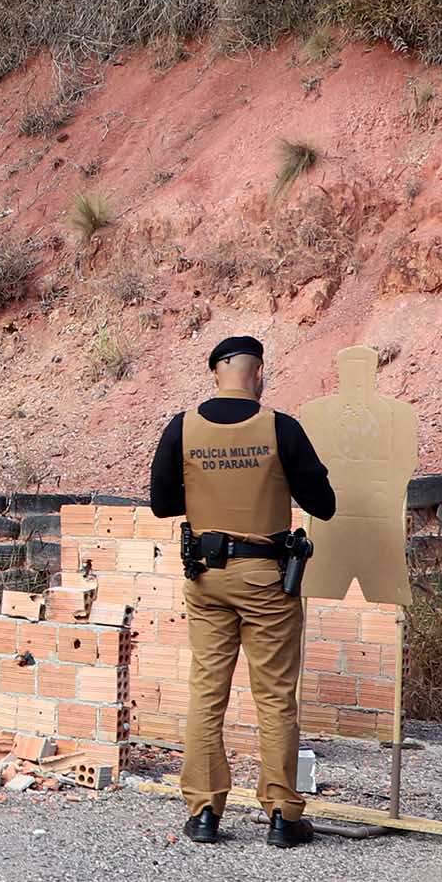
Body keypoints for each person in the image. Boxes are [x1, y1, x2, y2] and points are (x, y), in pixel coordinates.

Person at [146, 335, 337, 847]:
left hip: (206, 577)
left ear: (216, 373)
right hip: (266, 578)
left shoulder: (182, 427)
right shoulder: (280, 427)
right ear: (257, 374)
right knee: (275, 697)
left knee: (207, 693)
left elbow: (162, 504)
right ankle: (281, 815)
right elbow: (323, 502)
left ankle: (205, 812)